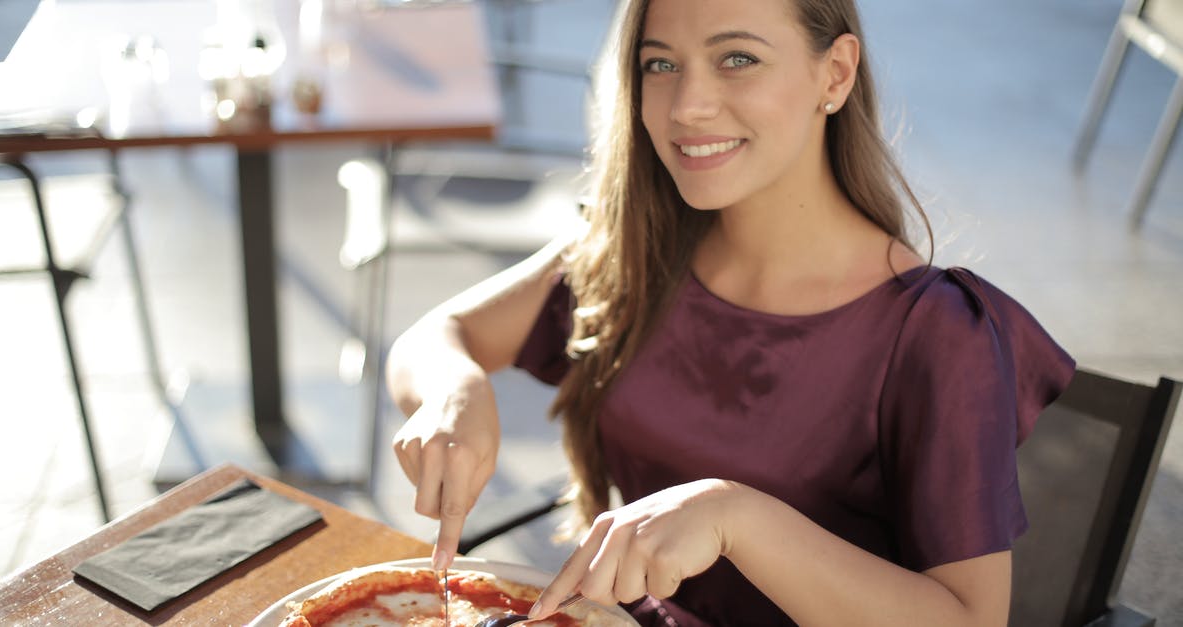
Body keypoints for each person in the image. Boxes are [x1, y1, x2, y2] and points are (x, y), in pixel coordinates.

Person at [385, 0, 1075, 624]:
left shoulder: (939, 332)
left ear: (835, 75)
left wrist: (736, 516)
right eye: (660, 64)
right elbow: (434, 339)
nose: (687, 106)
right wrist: (454, 391)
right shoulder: (633, 251)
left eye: (737, 59)